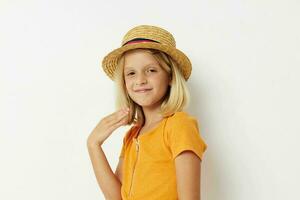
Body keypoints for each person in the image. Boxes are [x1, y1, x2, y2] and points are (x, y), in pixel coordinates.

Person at [87, 25, 208, 200]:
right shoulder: (132, 135)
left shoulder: (179, 125)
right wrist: (93, 145)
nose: (140, 80)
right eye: (131, 73)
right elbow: (116, 198)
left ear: (171, 76)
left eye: (151, 70)